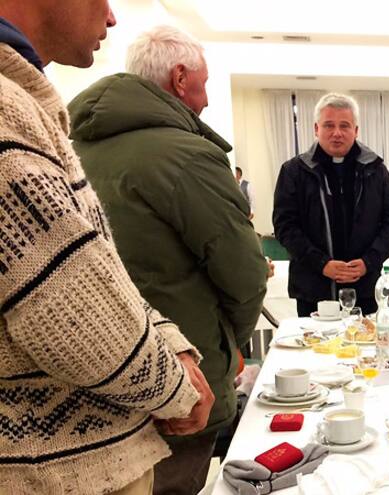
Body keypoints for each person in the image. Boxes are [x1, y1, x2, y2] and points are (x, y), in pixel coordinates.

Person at [0, 3, 213, 495]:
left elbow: (95, 268)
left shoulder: (31, 102)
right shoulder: (8, 110)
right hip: (61, 470)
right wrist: (180, 389)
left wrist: (170, 341)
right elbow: (69, 312)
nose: (113, 17)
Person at [68, 25, 268, 495]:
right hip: (179, 376)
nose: (205, 100)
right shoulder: (187, 156)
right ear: (180, 79)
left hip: (93, 376)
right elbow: (244, 274)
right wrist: (229, 346)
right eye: (203, 85)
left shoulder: (72, 149)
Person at [273, 93, 389, 316]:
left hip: (365, 287)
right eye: (329, 125)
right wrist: (322, 264)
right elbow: (285, 227)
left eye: (345, 126)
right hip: (313, 288)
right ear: (316, 129)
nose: (337, 133)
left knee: (365, 348)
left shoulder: (375, 170)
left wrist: (368, 262)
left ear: (356, 130)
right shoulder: (294, 171)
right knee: (315, 350)